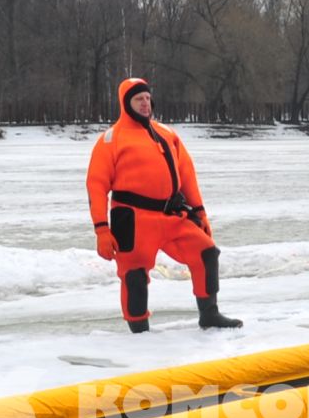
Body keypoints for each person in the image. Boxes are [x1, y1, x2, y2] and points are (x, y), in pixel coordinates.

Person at [85, 76, 242, 333]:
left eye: (147, 98)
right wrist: (102, 229)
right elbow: (96, 186)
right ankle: (139, 330)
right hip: (134, 220)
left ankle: (210, 314)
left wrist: (199, 212)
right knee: (134, 276)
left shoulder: (167, 134)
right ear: (126, 103)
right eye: (138, 99)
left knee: (206, 253)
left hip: (172, 216)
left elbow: (187, 175)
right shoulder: (110, 140)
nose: (145, 103)